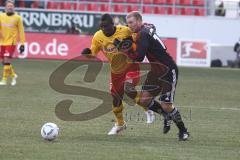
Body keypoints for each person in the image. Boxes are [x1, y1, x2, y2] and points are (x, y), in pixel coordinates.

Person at [81, 14, 155, 135]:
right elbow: (93, 54)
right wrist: (87, 53)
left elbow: (139, 38)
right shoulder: (98, 36)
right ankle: (120, 124)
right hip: (116, 71)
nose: (105, 29)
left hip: (131, 65)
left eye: (107, 27)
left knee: (129, 89)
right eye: (102, 27)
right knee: (116, 99)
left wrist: (130, 43)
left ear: (113, 25)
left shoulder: (124, 30)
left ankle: (148, 109)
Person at [126, 11, 189, 141]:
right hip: (155, 71)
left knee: (166, 104)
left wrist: (125, 50)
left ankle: (183, 130)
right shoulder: (146, 28)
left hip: (167, 70)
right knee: (144, 100)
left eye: (131, 22)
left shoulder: (142, 34)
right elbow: (152, 26)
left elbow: (139, 57)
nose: (129, 26)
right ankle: (166, 116)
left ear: (138, 21)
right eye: (128, 23)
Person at [0, 0, 25, 86]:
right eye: (8, 6)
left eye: (11, 6)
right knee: (3, 61)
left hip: (11, 42)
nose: (10, 7)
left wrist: (22, 44)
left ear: (13, 7)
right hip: (2, 42)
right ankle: (14, 75)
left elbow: (21, 32)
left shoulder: (17, 18)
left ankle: (4, 79)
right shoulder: (1, 16)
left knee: (7, 60)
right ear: (5, 7)